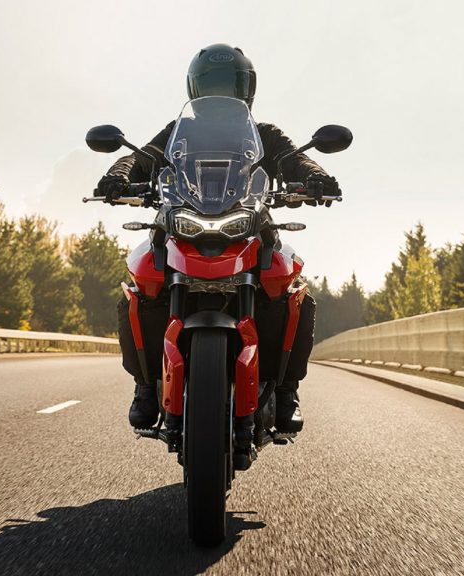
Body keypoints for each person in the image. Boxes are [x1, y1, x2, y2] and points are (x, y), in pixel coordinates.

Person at [96, 43, 341, 468]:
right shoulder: (177, 133)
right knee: (142, 283)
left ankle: (285, 391)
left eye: (229, 84)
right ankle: (147, 386)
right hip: (183, 222)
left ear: (245, 88)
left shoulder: (264, 134)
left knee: (290, 288)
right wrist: (117, 177)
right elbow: (141, 160)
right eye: (213, 83)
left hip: (249, 227)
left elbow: (295, 161)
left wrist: (317, 178)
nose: (222, 91)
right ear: (195, 87)